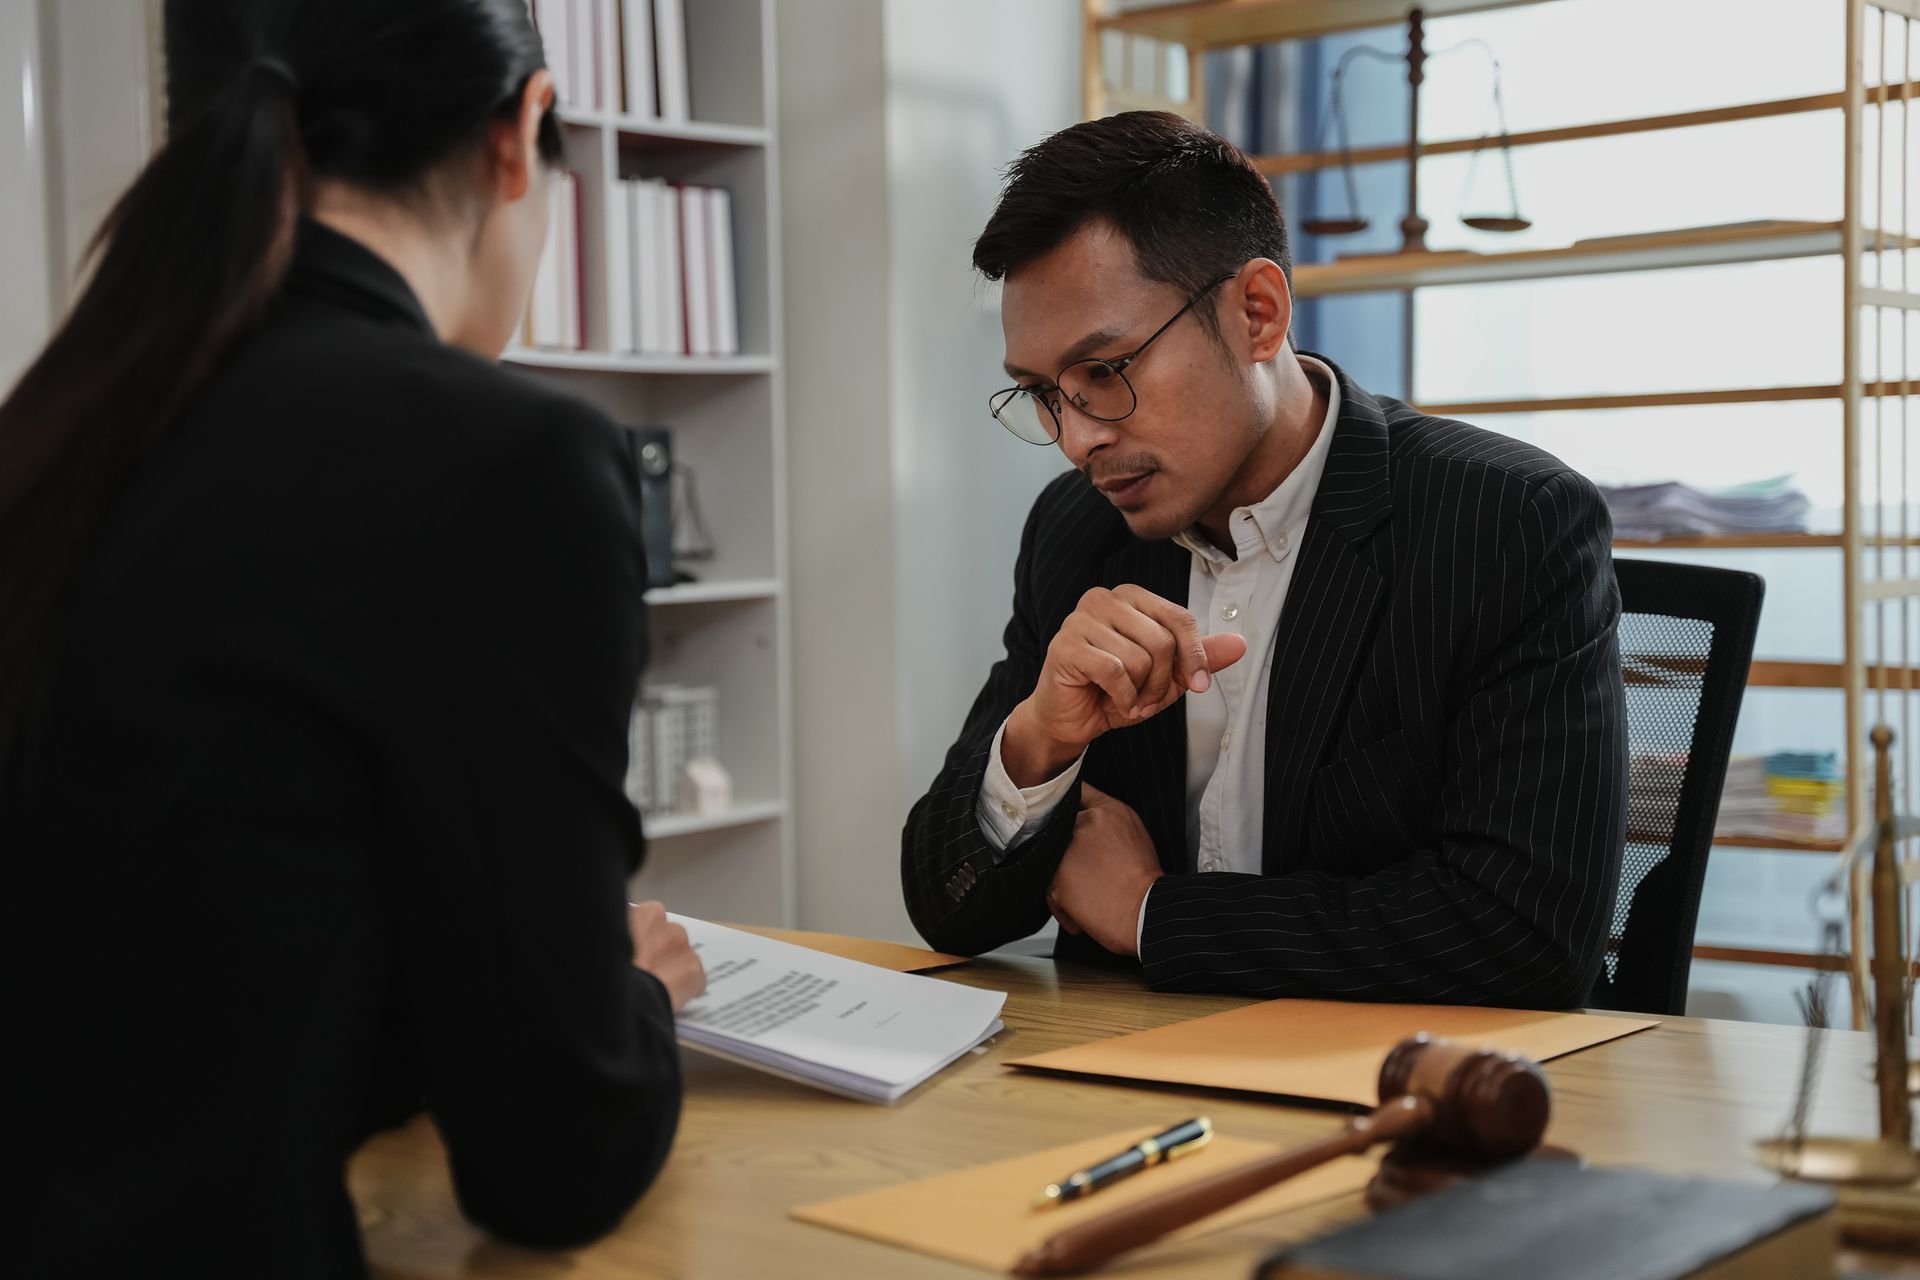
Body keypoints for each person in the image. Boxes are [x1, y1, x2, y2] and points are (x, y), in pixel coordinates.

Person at [2, 2, 702, 1274]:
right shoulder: (508, 462)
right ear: (521, 131)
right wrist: (638, 994)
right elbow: (556, 1154)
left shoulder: (63, 423)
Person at [901, 111, 1626, 1009]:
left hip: (1395, 1096)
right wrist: (1039, 744)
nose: (1078, 438)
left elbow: (1527, 935)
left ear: (1257, 313)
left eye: (1108, 370)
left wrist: (1153, 915)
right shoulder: (1074, 531)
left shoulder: (1507, 522)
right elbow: (949, 907)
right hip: (1115, 1084)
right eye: (1046, 394)